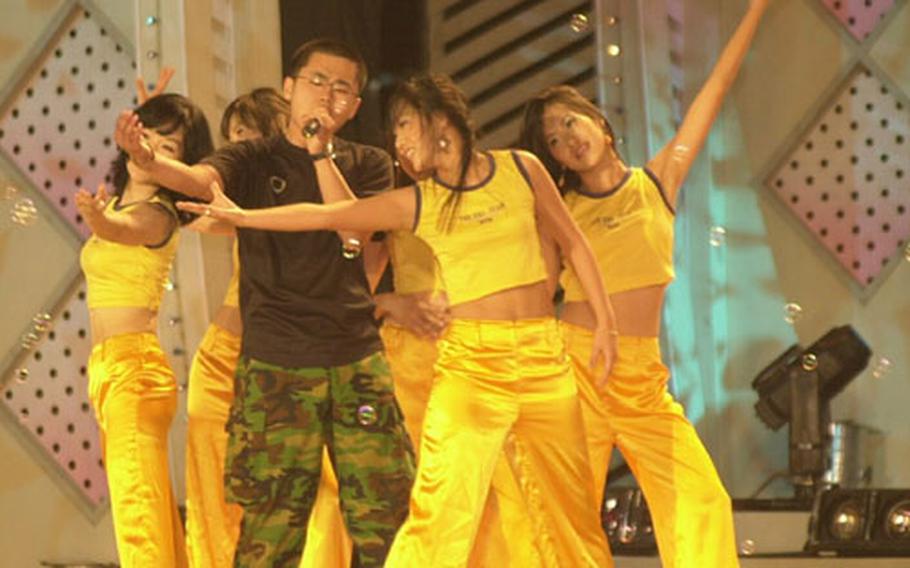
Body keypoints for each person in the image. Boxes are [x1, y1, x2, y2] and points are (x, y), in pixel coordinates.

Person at [177, 72, 619, 567]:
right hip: (471, 366)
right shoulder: (417, 201)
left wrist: (606, 323)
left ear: (439, 117)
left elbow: (574, 243)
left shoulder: (523, 167)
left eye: (405, 126)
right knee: (437, 509)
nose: (400, 144)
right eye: (395, 133)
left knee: (572, 508)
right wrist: (246, 216)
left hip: (544, 360)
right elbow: (328, 216)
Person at [113, 38, 415, 566]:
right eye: (317, 82)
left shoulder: (369, 164)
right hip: (275, 367)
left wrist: (320, 153)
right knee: (270, 526)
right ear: (290, 89)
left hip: (356, 363)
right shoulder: (252, 158)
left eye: (342, 89)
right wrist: (152, 163)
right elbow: (201, 179)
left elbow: (351, 230)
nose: (328, 96)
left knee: (384, 517)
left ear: (355, 108)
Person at [518, 2, 770, 566]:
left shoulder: (657, 181)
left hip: (641, 378)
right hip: (575, 368)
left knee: (701, 499)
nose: (566, 139)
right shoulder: (556, 211)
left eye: (570, 122)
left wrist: (757, 9)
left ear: (600, 124)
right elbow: (533, 297)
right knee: (563, 513)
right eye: (553, 140)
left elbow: (716, 86)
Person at [76, 92, 214, 566]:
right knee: (147, 517)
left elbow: (123, 229)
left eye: (166, 147)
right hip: (111, 371)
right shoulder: (119, 198)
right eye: (144, 137)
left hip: (134, 372)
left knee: (140, 525)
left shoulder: (160, 214)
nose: (146, 149)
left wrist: (99, 219)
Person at [182, 87, 290, 568]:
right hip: (220, 356)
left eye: (244, 134)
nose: (235, 146)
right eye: (230, 137)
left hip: (280, 363)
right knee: (211, 479)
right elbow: (193, 209)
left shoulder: (304, 201)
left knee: (275, 490)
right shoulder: (230, 207)